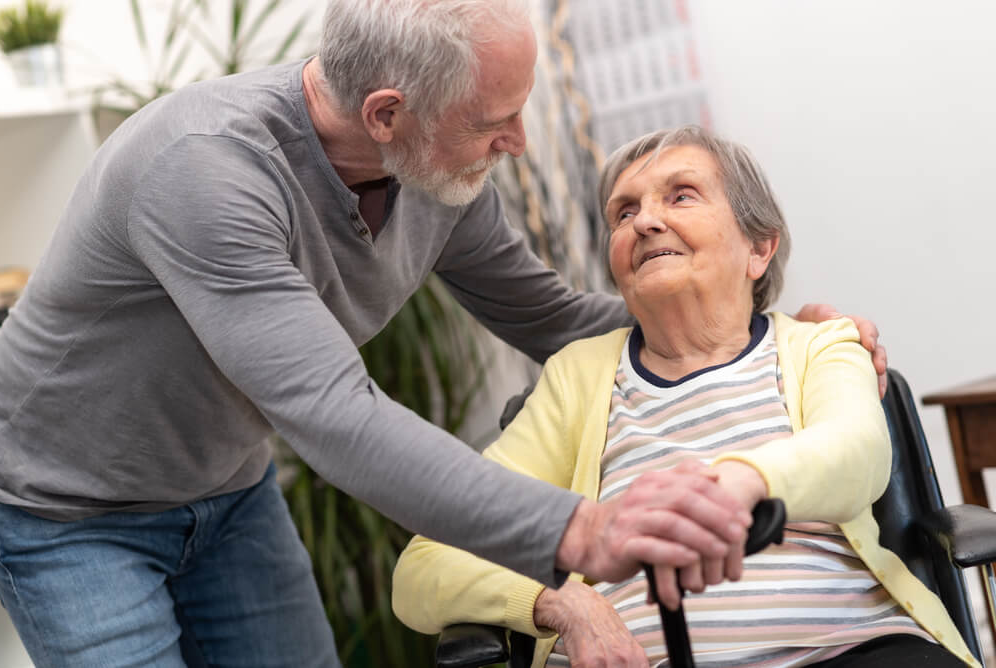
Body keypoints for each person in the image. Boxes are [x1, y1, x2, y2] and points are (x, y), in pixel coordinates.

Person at [0, 2, 883, 667]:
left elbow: (548, 316)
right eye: (493, 120)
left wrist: (749, 323)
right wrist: (580, 536)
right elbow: (335, 413)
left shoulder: (435, 166)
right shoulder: (201, 171)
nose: (520, 142)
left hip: (228, 491)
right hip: (67, 511)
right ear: (387, 115)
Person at [392, 125, 976, 668]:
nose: (645, 221)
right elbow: (427, 563)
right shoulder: (577, 377)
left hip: (848, 648)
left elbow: (857, 456)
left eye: (681, 196)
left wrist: (739, 483)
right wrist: (563, 601)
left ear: (759, 248)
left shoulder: (819, 345)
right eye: (624, 211)